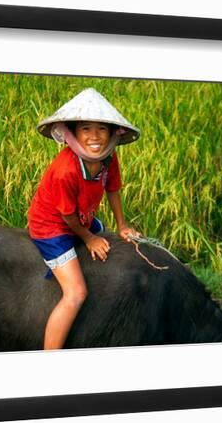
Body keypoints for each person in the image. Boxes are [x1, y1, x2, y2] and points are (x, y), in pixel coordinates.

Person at [28, 87, 141, 350]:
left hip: (82, 217)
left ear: (114, 134)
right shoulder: (65, 170)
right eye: (86, 129)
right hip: (53, 226)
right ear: (73, 132)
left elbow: (112, 189)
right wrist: (89, 238)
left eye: (102, 129)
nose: (94, 137)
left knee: (106, 232)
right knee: (76, 293)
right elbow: (66, 216)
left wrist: (122, 226)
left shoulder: (108, 159)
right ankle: (50, 357)